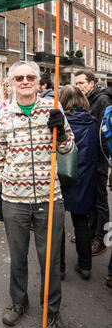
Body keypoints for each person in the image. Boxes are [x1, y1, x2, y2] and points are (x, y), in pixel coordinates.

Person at [0, 61, 74, 328]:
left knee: (50, 258)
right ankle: (19, 302)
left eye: (29, 77)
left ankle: (51, 310)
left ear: (38, 82)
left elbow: (68, 148)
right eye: (19, 78)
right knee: (18, 256)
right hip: (14, 198)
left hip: (49, 198)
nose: (24, 81)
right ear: (12, 83)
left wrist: (60, 131)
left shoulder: (53, 109)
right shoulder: (4, 114)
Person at [59, 85, 99, 280]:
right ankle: (85, 266)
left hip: (62, 176)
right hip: (85, 178)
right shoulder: (93, 123)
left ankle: (59, 269)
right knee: (81, 222)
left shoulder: (61, 123)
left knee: (57, 224)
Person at [75, 70, 112, 256]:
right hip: (89, 157)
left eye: (82, 83)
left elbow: (104, 132)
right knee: (90, 197)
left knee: (100, 200)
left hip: (99, 157)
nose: (79, 87)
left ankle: (102, 239)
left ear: (91, 83)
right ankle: (89, 234)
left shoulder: (103, 100)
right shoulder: (87, 99)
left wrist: (102, 156)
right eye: (77, 84)